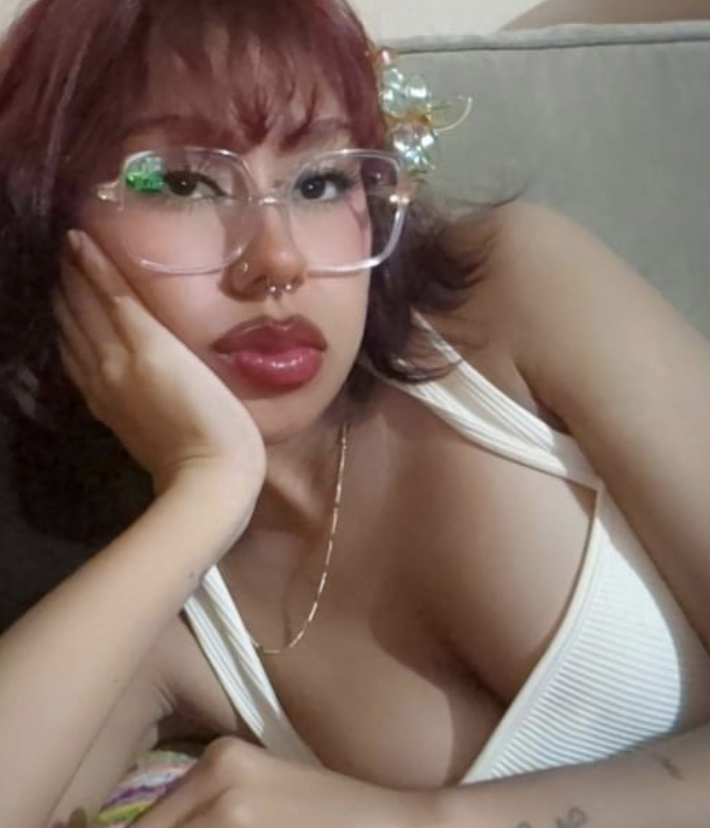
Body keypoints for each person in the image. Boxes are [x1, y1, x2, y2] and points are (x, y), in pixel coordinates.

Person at [0, 0, 709, 826]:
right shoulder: (164, 606)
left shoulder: (512, 303)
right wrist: (208, 488)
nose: (278, 260)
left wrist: (426, 820)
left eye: (320, 182)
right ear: (45, 215)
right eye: (185, 184)